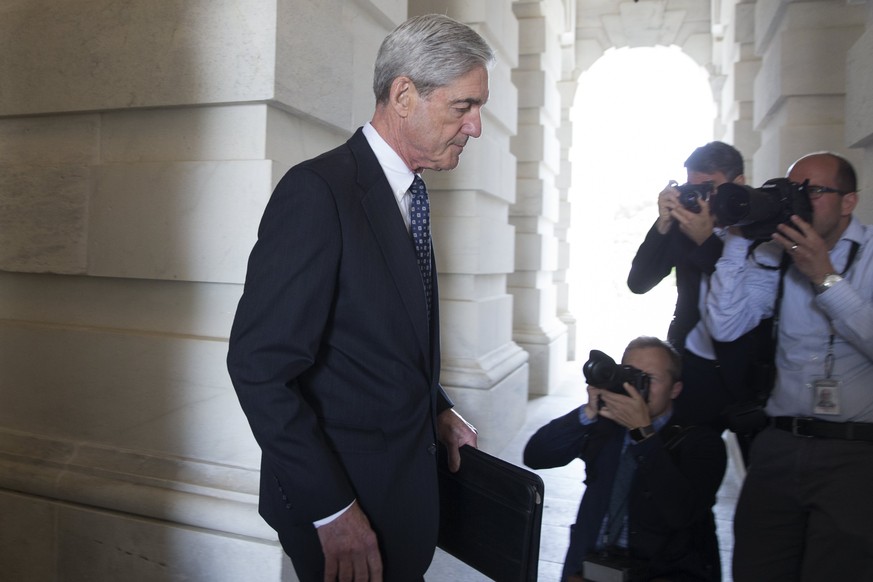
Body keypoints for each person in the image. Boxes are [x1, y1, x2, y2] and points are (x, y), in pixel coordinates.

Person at [226, 14, 494, 582]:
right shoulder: (317, 193)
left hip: (403, 498)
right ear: (403, 95)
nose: (475, 127)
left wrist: (437, 407)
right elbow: (259, 367)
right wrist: (331, 510)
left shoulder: (411, 194)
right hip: (348, 516)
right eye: (463, 107)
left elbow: (379, 332)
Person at [705, 152, 873, 580]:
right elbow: (726, 326)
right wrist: (741, 236)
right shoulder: (775, 256)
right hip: (778, 444)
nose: (799, 200)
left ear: (848, 201)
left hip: (854, 452)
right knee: (756, 567)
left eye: (813, 191)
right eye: (792, 189)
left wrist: (825, 278)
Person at [524, 337, 727, 582]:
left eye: (649, 379)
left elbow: (680, 513)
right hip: (589, 569)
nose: (637, 386)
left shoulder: (702, 442)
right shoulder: (606, 426)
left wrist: (643, 433)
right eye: (630, 375)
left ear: (675, 389)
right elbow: (536, 455)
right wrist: (588, 413)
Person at [627, 142, 757, 441]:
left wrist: (707, 241)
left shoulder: (759, 225)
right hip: (692, 367)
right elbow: (638, 282)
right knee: (685, 461)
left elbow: (744, 295)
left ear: (738, 183)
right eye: (692, 187)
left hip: (745, 373)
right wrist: (663, 223)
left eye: (709, 187)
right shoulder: (683, 224)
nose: (700, 197)